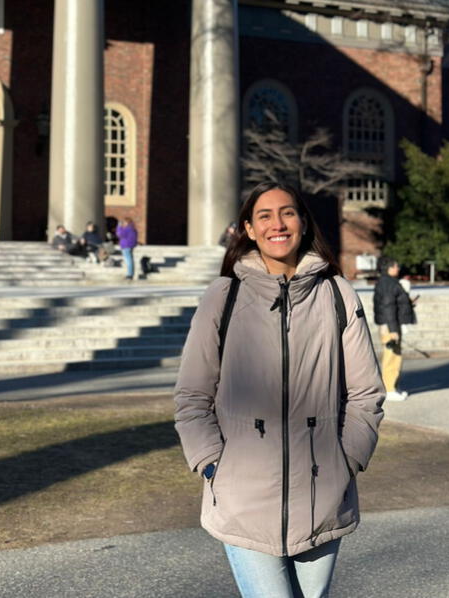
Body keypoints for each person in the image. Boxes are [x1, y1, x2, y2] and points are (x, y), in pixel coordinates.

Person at [174, 182, 385, 598]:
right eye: (264, 216)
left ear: (304, 222)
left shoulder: (337, 293)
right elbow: (192, 396)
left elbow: (366, 393)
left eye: (287, 213)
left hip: (322, 492)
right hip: (241, 496)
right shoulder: (223, 296)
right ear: (248, 229)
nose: (278, 224)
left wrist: (348, 460)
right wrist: (213, 466)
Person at [373, 255, 417, 401]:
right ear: (389, 268)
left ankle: (393, 387)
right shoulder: (388, 283)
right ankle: (389, 389)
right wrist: (393, 330)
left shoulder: (389, 282)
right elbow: (388, 308)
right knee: (391, 357)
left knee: (395, 356)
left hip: (392, 324)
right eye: (396, 266)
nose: (398, 268)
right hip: (390, 326)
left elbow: (393, 304)